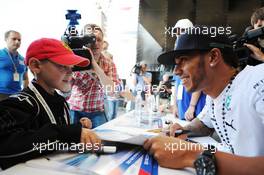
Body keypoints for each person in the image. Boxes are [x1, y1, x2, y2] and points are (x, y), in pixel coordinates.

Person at [144, 26, 264, 174]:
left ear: (213, 57)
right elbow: (203, 123)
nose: (176, 71)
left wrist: (189, 154)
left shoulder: (259, 79)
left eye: (184, 60)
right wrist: (181, 130)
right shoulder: (213, 96)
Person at [0, 38, 101, 169]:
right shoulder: (22, 103)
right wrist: (67, 133)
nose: (71, 73)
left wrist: (77, 127)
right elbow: (5, 146)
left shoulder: (61, 101)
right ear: (36, 65)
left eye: (71, 67)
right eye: (62, 65)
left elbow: (54, 132)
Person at [68, 24, 120, 128]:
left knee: (99, 142)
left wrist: (94, 65)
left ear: (103, 42)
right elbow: (64, 89)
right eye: (91, 40)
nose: (95, 43)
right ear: (83, 42)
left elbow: (111, 91)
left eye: (99, 40)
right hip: (74, 109)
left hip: (97, 112)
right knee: (72, 143)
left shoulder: (109, 63)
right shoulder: (75, 61)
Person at [173, 19, 206, 121]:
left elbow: (200, 80)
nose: (179, 35)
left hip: (194, 110)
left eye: (182, 31)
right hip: (183, 109)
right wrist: (175, 105)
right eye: (177, 32)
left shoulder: (195, 53)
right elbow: (177, 84)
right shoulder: (178, 53)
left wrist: (192, 106)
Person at [0, 30, 28, 101]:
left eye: (19, 40)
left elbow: (25, 78)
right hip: (1, 93)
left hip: (17, 95)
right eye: (14, 39)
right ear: (6, 39)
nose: (17, 42)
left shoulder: (23, 59)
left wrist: (25, 92)